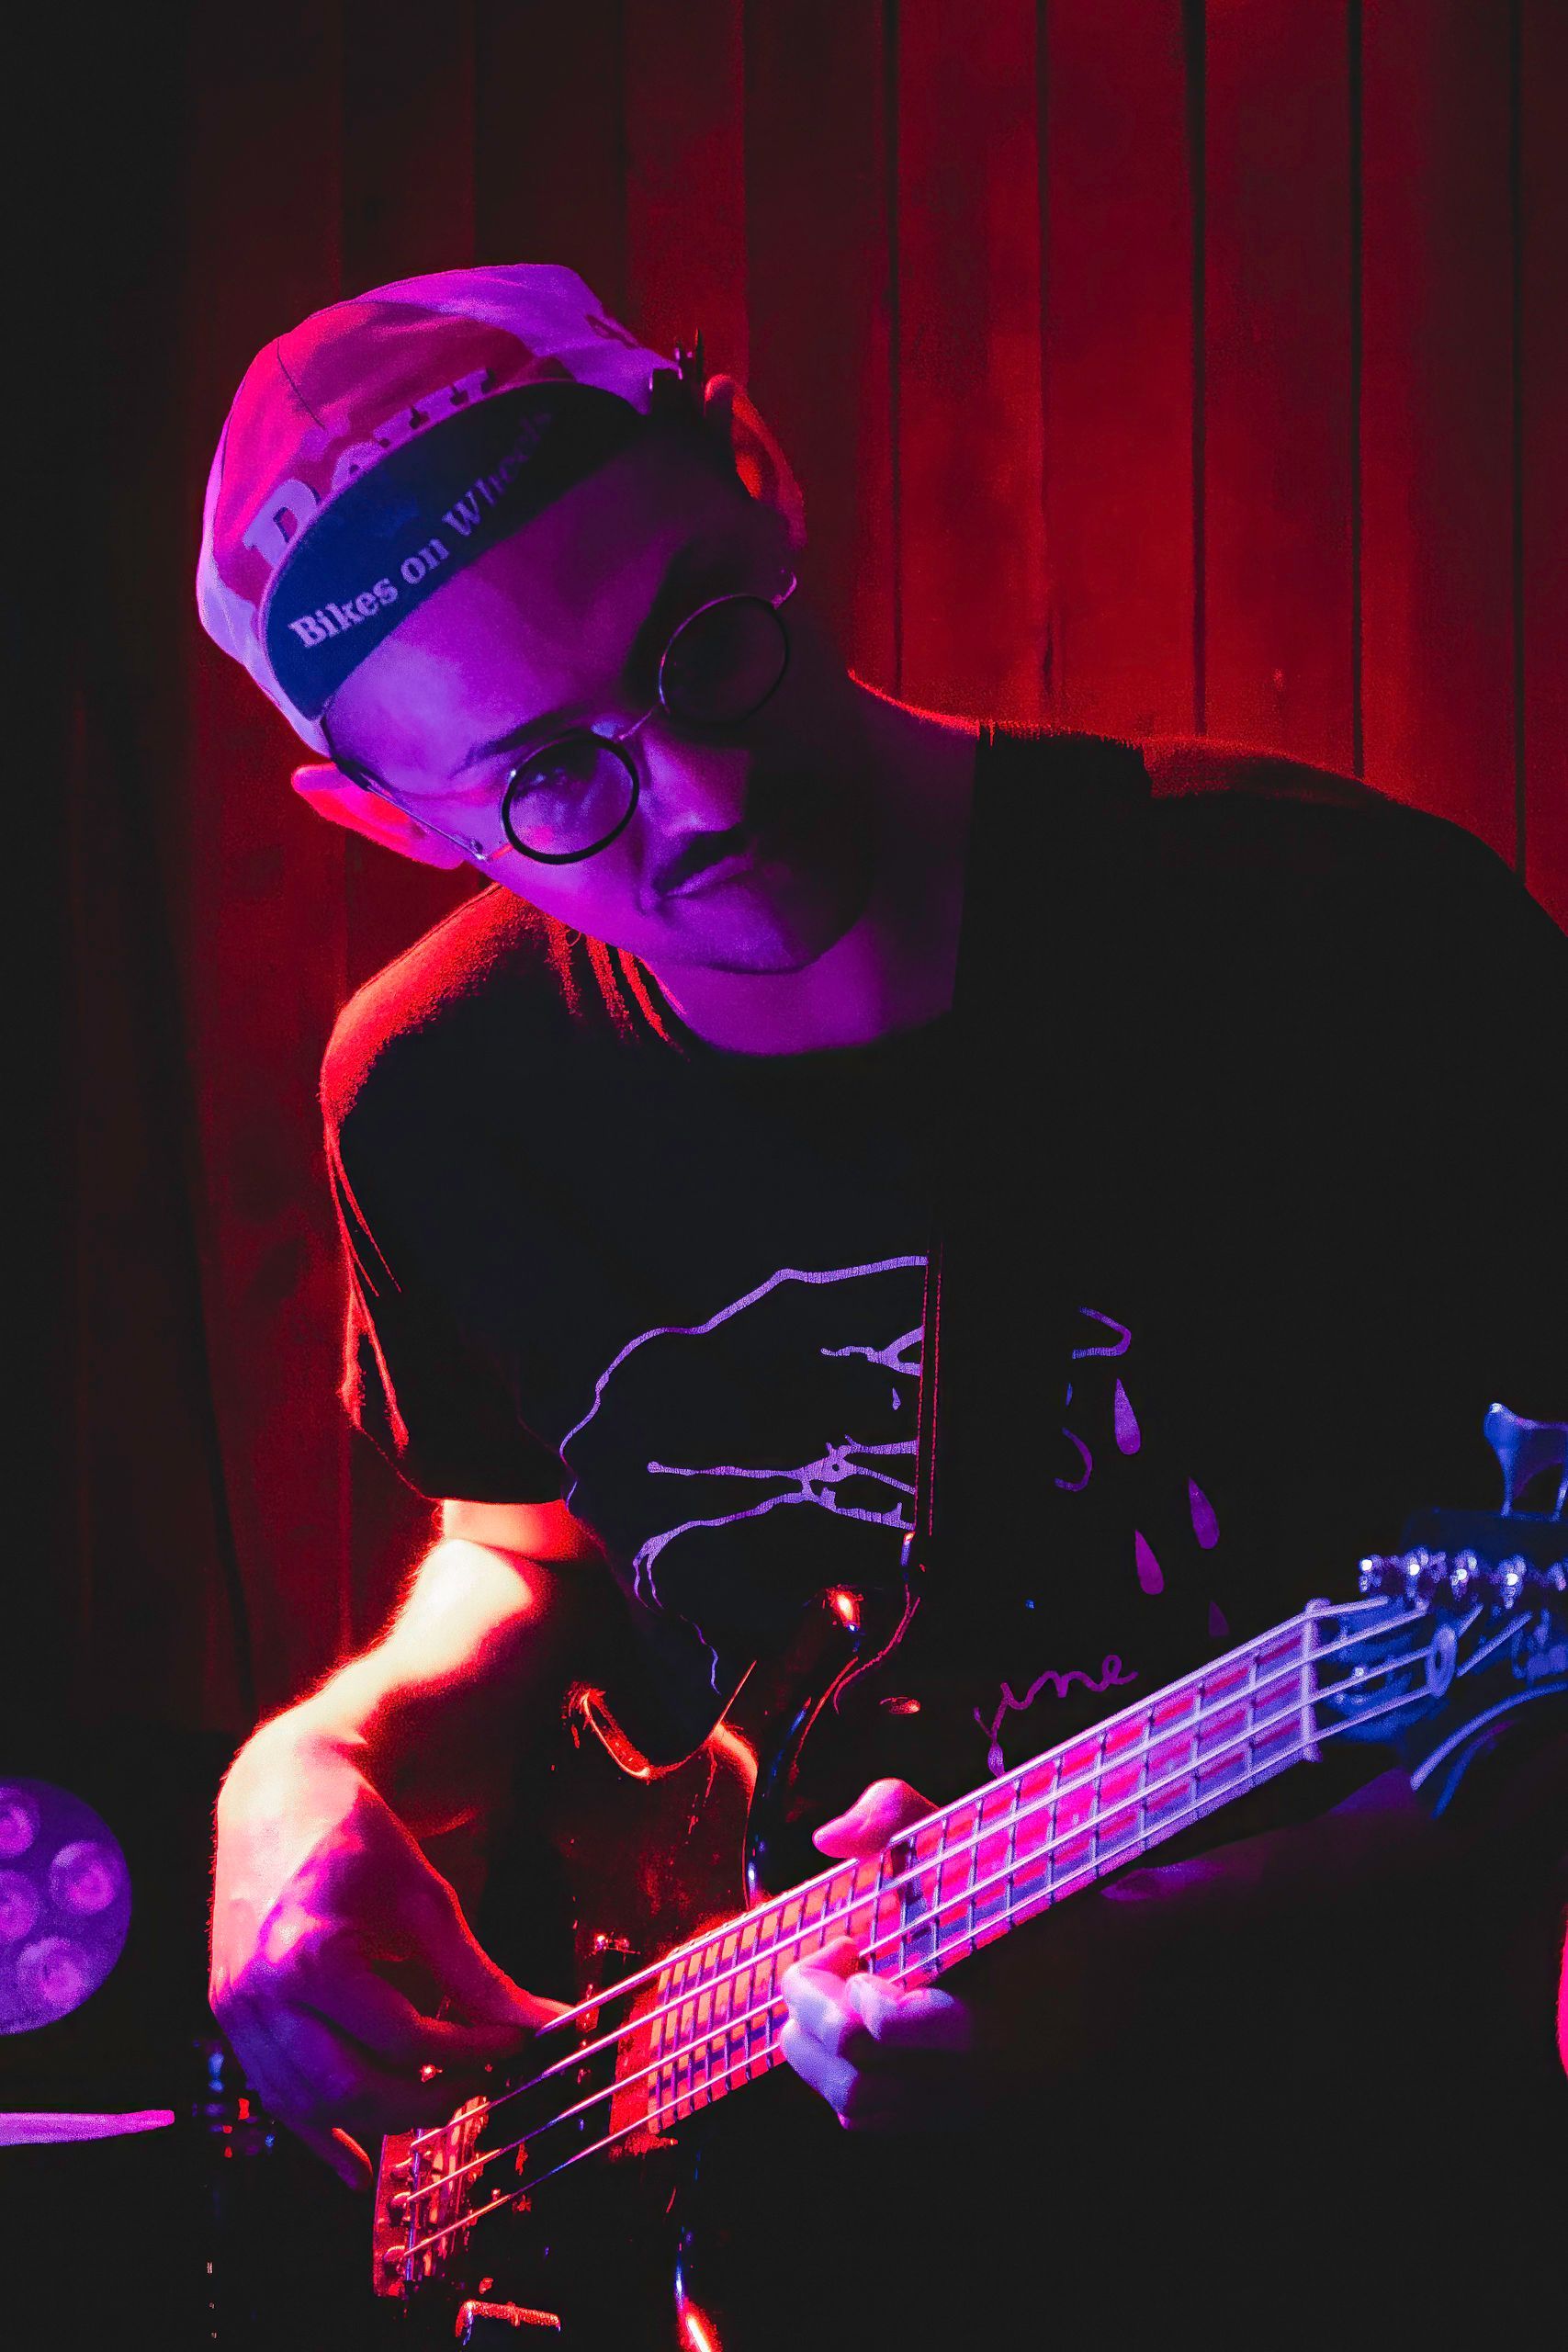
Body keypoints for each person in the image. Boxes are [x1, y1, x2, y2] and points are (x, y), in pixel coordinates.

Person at [200, 265, 1566, 2344]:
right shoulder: (435, 1092)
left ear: (754, 469)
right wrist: (311, 1762)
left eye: (704, 647)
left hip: (1387, 2228)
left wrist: (1185, 1948)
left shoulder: (1343, 943)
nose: (705, 793)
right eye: (551, 783)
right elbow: (530, 1544)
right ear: (389, 819)